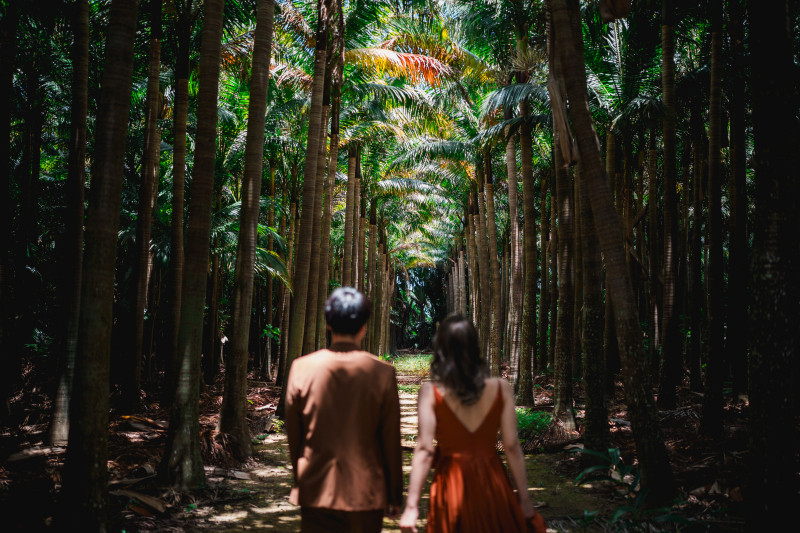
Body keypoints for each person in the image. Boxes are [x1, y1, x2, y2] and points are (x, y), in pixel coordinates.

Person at [398, 313, 546, 533]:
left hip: (450, 483)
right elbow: (512, 446)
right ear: (475, 347)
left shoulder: (430, 391)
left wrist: (411, 507)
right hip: (491, 481)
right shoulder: (501, 388)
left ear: (441, 349)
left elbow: (425, 449)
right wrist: (524, 500)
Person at [285, 287, 403, 533]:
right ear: (364, 326)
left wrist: (302, 479)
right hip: (366, 493)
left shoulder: (301, 368)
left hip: (316, 491)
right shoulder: (382, 373)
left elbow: (294, 435)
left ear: (328, 324)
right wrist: (394, 495)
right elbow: (390, 440)